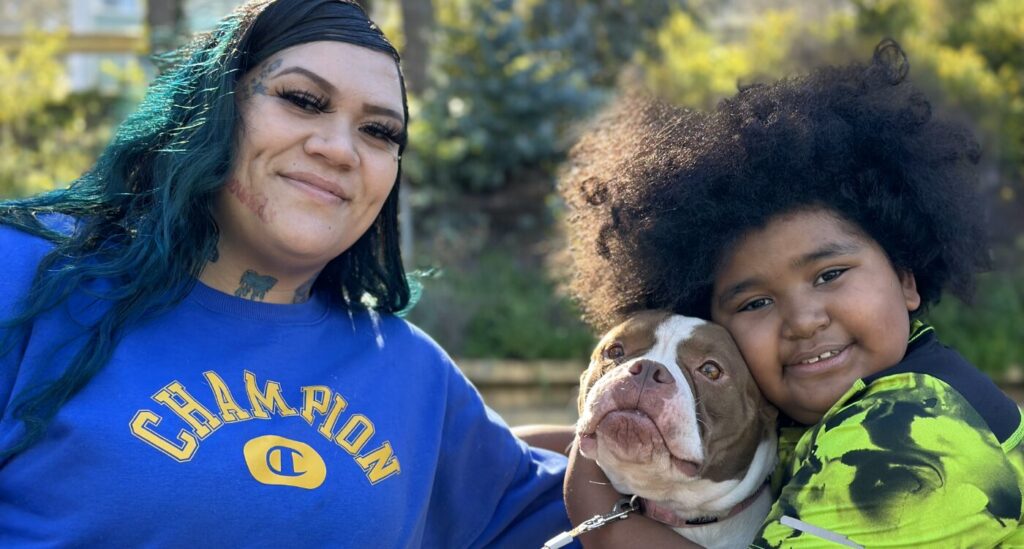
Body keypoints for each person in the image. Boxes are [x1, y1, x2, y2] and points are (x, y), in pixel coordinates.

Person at [0, 1, 574, 546]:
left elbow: (592, 514)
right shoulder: (32, 272)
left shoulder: (414, 374)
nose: (339, 149)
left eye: (380, 132)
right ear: (213, 108)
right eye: (303, 99)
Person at [558, 39, 1024, 547]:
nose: (803, 320)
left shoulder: (914, 426)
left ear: (906, 278)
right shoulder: (826, 406)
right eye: (755, 302)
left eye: (829, 274)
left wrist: (595, 510)